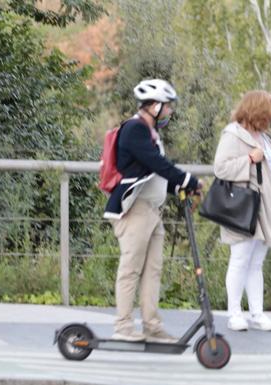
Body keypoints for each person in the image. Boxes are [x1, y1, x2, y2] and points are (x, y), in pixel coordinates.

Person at [104, 79, 202, 343]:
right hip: (134, 210)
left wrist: (181, 188)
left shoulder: (149, 132)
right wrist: (188, 180)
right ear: (155, 105)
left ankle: (152, 326)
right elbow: (156, 163)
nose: (169, 112)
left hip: (152, 212)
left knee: (153, 271)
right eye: (167, 107)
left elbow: (154, 174)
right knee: (131, 269)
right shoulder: (135, 129)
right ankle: (123, 327)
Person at [213, 90, 271, 331]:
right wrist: (249, 159)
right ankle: (234, 313)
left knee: (256, 261)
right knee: (239, 258)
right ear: (258, 112)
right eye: (269, 114)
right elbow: (221, 169)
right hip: (243, 207)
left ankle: (257, 313)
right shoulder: (233, 135)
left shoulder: (264, 138)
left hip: (265, 208)